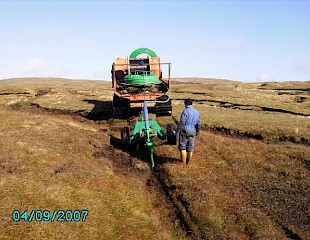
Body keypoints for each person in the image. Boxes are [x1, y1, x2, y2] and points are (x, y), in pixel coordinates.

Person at [176, 99, 201, 165]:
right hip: (193, 130)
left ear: (185, 104)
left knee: (182, 146)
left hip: (185, 130)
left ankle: (183, 162)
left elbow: (182, 122)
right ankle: (188, 162)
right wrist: (197, 132)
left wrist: (178, 131)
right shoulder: (197, 112)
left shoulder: (185, 111)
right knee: (191, 147)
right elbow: (199, 124)